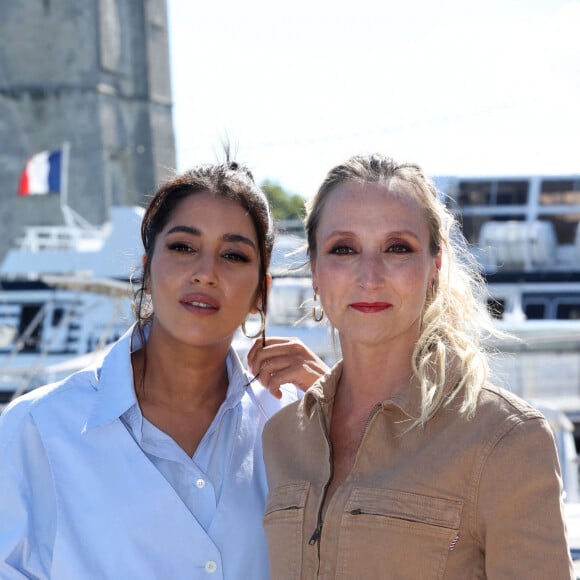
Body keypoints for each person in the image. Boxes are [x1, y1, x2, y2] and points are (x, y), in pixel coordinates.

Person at [0, 159, 324, 579]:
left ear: (260, 292)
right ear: (147, 270)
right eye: (183, 247)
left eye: (233, 255)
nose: (205, 273)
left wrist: (338, 404)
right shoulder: (37, 429)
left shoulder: (295, 421)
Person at [261, 153, 574, 579]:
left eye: (397, 248)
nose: (369, 276)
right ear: (315, 269)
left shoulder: (504, 439)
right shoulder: (281, 438)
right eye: (344, 249)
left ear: (435, 265)